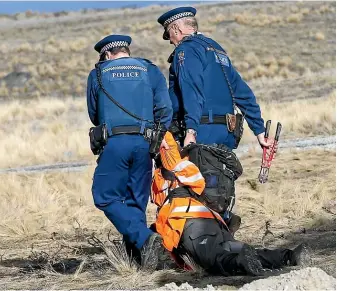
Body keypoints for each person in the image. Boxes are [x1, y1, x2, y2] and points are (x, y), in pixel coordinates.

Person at [156, 7, 274, 231]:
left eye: (169, 35)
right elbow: (242, 92)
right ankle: (223, 225)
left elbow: (192, 91)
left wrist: (190, 131)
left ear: (177, 29)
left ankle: (213, 238)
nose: (170, 41)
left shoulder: (187, 51)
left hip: (202, 130)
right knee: (219, 185)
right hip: (226, 131)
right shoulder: (217, 50)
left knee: (198, 190)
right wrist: (259, 131)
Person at [150, 131, 311, 276]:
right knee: (234, 249)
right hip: (211, 219)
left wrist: (166, 143)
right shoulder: (169, 169)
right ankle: (289, 256)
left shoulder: (171, 165)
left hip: (188, 222)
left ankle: (240, 263)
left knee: (214, 260)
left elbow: (195, 181)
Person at [86, 34, 173, 270]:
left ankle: (146, 239)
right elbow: (165, 108)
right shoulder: (149, 69)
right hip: (145, 143)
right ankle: (140, 260)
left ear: (105, 54)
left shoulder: (98, 73)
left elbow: (93, 114)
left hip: (115, 142)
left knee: (104, 196)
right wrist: (158, 134)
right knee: (136, 201)